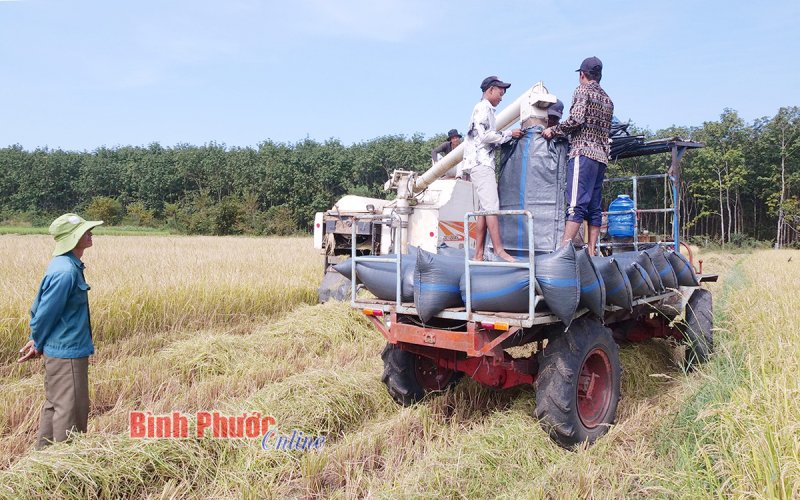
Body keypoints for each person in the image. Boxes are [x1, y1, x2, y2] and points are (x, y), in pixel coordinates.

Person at [18, 213, 103, 449]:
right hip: (68, 354)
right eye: (86, 231)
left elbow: (43, 312)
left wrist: (37, 340)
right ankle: (65, 467)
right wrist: (36, 340)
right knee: (71, 412)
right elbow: (44, 314)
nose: (91, 233)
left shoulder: (64, 265)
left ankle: (43, 460)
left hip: (61, 349)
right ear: (73, 238)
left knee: (55, 405)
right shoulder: (66, 272)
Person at [542, 57, 614, 256]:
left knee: (575, 204)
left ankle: (563, 250)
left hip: (583, 153)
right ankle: (592, 251)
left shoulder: (582, 90)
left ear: (582, 74)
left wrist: (554, 130)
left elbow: (576, 119)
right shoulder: (608, 100)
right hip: (601, 158)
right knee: (594, 207)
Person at [462, 75, 524, 262]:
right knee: (491, 207)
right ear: (490, 90)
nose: (501, 97)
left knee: (484, 209)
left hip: (481, 162)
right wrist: (509, 134)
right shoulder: (483, 107)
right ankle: (499, 249)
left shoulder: (485, 109)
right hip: (481, 163)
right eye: (500, 92)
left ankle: (478, 253)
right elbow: (485, 136)